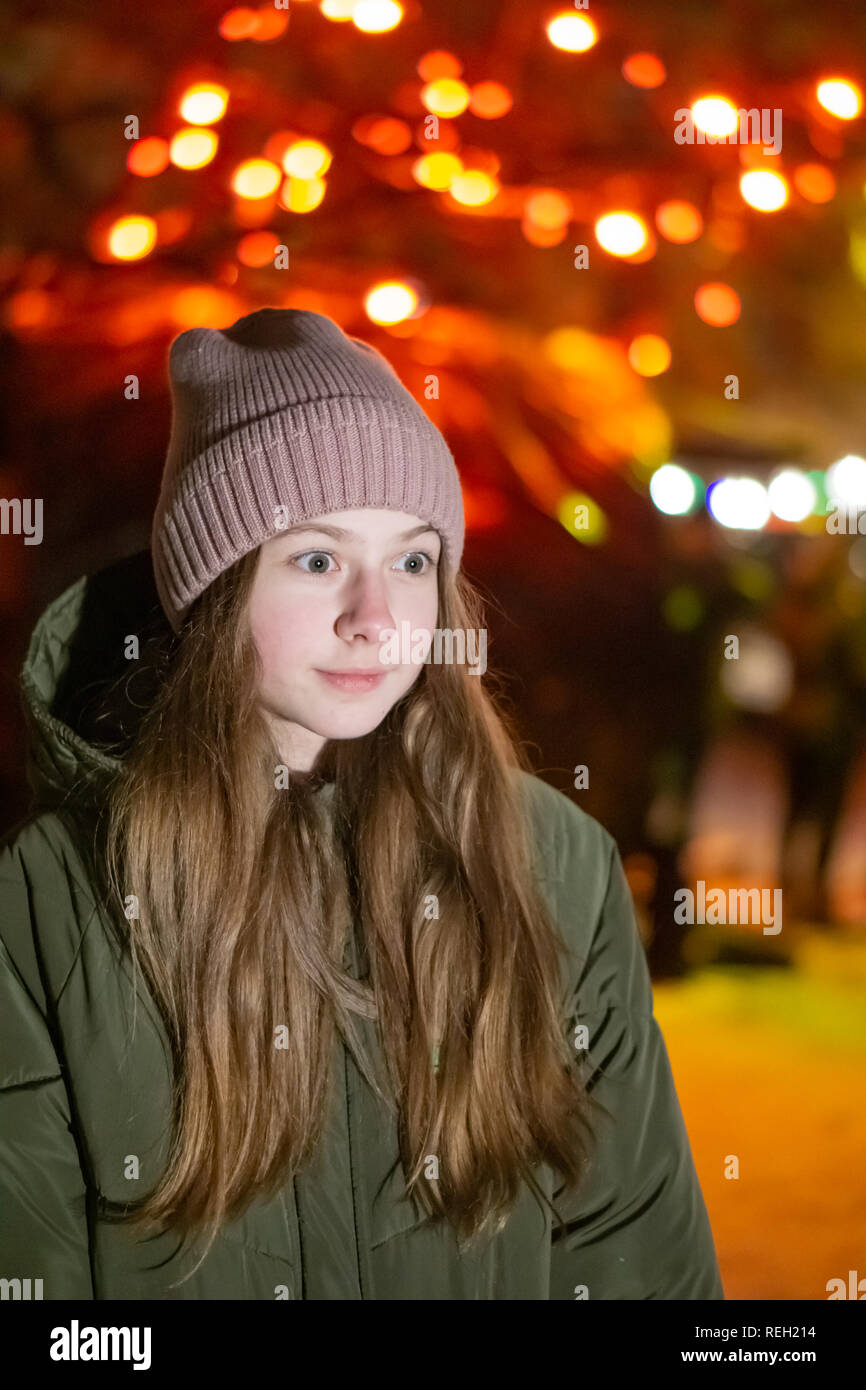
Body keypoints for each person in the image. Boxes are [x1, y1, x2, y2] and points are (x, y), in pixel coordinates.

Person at [0, 308, 724, 1300]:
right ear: (212, 591)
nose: (376, 619)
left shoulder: (554, 862)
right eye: (316, 559)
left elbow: (632, 1251)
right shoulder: (49, 896)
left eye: (412, 560)